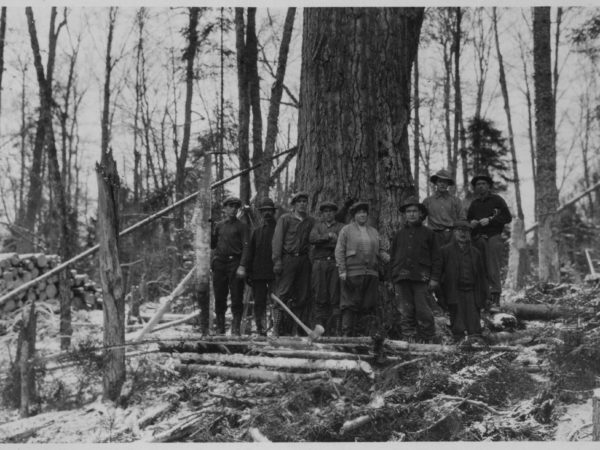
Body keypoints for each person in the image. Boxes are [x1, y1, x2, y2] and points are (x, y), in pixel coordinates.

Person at [390, 196, 441, 343]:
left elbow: (437, 258)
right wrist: (392, 277)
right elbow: (393, 258)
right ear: (405, 215)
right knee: (405, 312)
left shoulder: (429, 234)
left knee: (424, 311)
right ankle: (409, 340)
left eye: (414, 211)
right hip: (402, 278)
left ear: (421, 214)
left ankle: (429, 341)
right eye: (408, 211)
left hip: (421, 278)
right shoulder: (399, 234)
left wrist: (434, 278)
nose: (411, 214)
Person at [335, 201, 389, 337]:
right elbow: (339, 251)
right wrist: (342, 270)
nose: (362, 215)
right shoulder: (346, 230)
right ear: (354, 215)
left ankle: (363, 337)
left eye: (364, 212)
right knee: (349, 305)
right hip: (352, 274)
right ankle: (347, 338)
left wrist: (390, 259)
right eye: (359, 212)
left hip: (371, 274)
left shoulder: (374, 231)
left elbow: (381, 251)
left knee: (367, 306)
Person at [271, 192, 315, 336]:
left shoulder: (310, 221)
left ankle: (296, 329)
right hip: (288, 259)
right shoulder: (285, 219)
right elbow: (277, 240)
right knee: (282, 293)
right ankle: (276, 329)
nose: (302, 204)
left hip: (303, 260)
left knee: (302, 295)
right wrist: (277, 261)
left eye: (304, 201)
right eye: (299, 201)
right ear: (294, 204)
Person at [466, 174, 512, 307]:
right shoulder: (474, 204)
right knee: (480, 268)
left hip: (494, 237)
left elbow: (507, 217)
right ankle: (484, 299)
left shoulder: (497, 200)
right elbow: (468, 221)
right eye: (478, 184)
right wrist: (472, 223)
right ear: (475, 188)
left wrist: (491, 220)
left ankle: (495, 299)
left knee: (493, 267)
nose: (481, 186)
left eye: (483, 184)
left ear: (488, 186)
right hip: (478, 239)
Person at [439, 220, 488, 341]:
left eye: (466, 231)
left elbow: (482, 275)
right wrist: (441, 296)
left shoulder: (475, 253)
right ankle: (459, 342)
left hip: (472, 291)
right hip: (454, 291)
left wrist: (485, 294)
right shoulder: (445, 251)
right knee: (457, 321)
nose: (463, 234)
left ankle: (476, 341)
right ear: (454, 232)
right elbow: (439, 275)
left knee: (474, 320)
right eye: (459, 230)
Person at [211, 196, 249, 335]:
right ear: (225, 208)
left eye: (235, 207)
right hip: (220, 263)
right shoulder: (219, 225)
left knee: (236, 295)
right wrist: (208, 230)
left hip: (235, 263)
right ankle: (220, 327)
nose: (233, 209)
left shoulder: (242, 226)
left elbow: (246, 247)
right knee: (219, 295)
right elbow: (212, 244)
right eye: (230, 206)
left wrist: (242, 265)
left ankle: (235, 328)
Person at [240, 198, 277, 336]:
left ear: (273, 212)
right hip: (258, 274)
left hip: (275, 273)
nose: (267, 213)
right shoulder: (257, 231)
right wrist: (249, 272)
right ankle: (261, 329)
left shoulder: (280, 229)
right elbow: (250, 252)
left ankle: (277, 329)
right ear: (261, 213)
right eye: (264, 211)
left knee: (277, 303)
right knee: (259, 302)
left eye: (269, 210)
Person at [309, 201, 345, 335]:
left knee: (335, 296)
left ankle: (336, 331)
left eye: (331, 211)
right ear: (322, 214)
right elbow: (312, 239)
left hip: (335, 263)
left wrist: (323, 242)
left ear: (335, 213)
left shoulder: (341, 226)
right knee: (320, 296)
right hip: (319, 264)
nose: (328, 213)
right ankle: (320, 330)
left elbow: (340, 243)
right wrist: (328, 236)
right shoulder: (317, 226)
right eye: (325, 211)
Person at [423, 169, 466, 247]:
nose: (442, 184)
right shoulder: (428, 201)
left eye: (445, 182)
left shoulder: (456, 201)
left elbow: (462, 218)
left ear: (448, 184)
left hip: (452, 235)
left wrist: (457, 233)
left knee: (451, 257)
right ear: (436, 183)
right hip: (434, 235)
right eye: (440, 181)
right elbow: (420, 218)